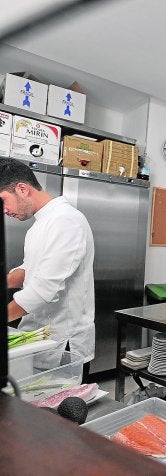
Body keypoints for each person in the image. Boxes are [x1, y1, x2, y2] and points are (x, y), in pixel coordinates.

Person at [0, 158, 95, 383]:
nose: (4, 210)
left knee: (60, 406)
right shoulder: (41, 224)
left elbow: (43, 289)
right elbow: (30, 269)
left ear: (22, 189)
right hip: (38, 338)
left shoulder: (66, 221)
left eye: (3, 200)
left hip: (63, 344)